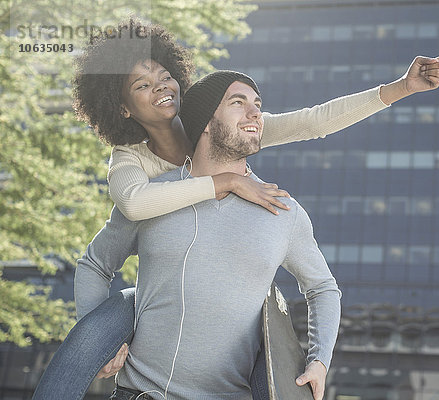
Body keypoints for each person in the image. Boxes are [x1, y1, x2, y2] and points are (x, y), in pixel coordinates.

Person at [32, 17, 439, 399]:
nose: (254, 113)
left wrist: (401, 87)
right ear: (123, 108)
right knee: (127, 302)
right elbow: (118, 224)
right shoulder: (136, 165)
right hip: (138, 392)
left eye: (163, 77)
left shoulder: (279, 204)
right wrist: (100, 341)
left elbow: (315, 121)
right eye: (141, 86)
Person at [79, 70, 342, 400]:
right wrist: (95, 340)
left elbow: (322, 287)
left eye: (257, 104)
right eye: (238, 102)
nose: (256, 113)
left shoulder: (283, 211)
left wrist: (319, 361)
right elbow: (95, 263)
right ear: (204, 121)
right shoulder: (155, 195)